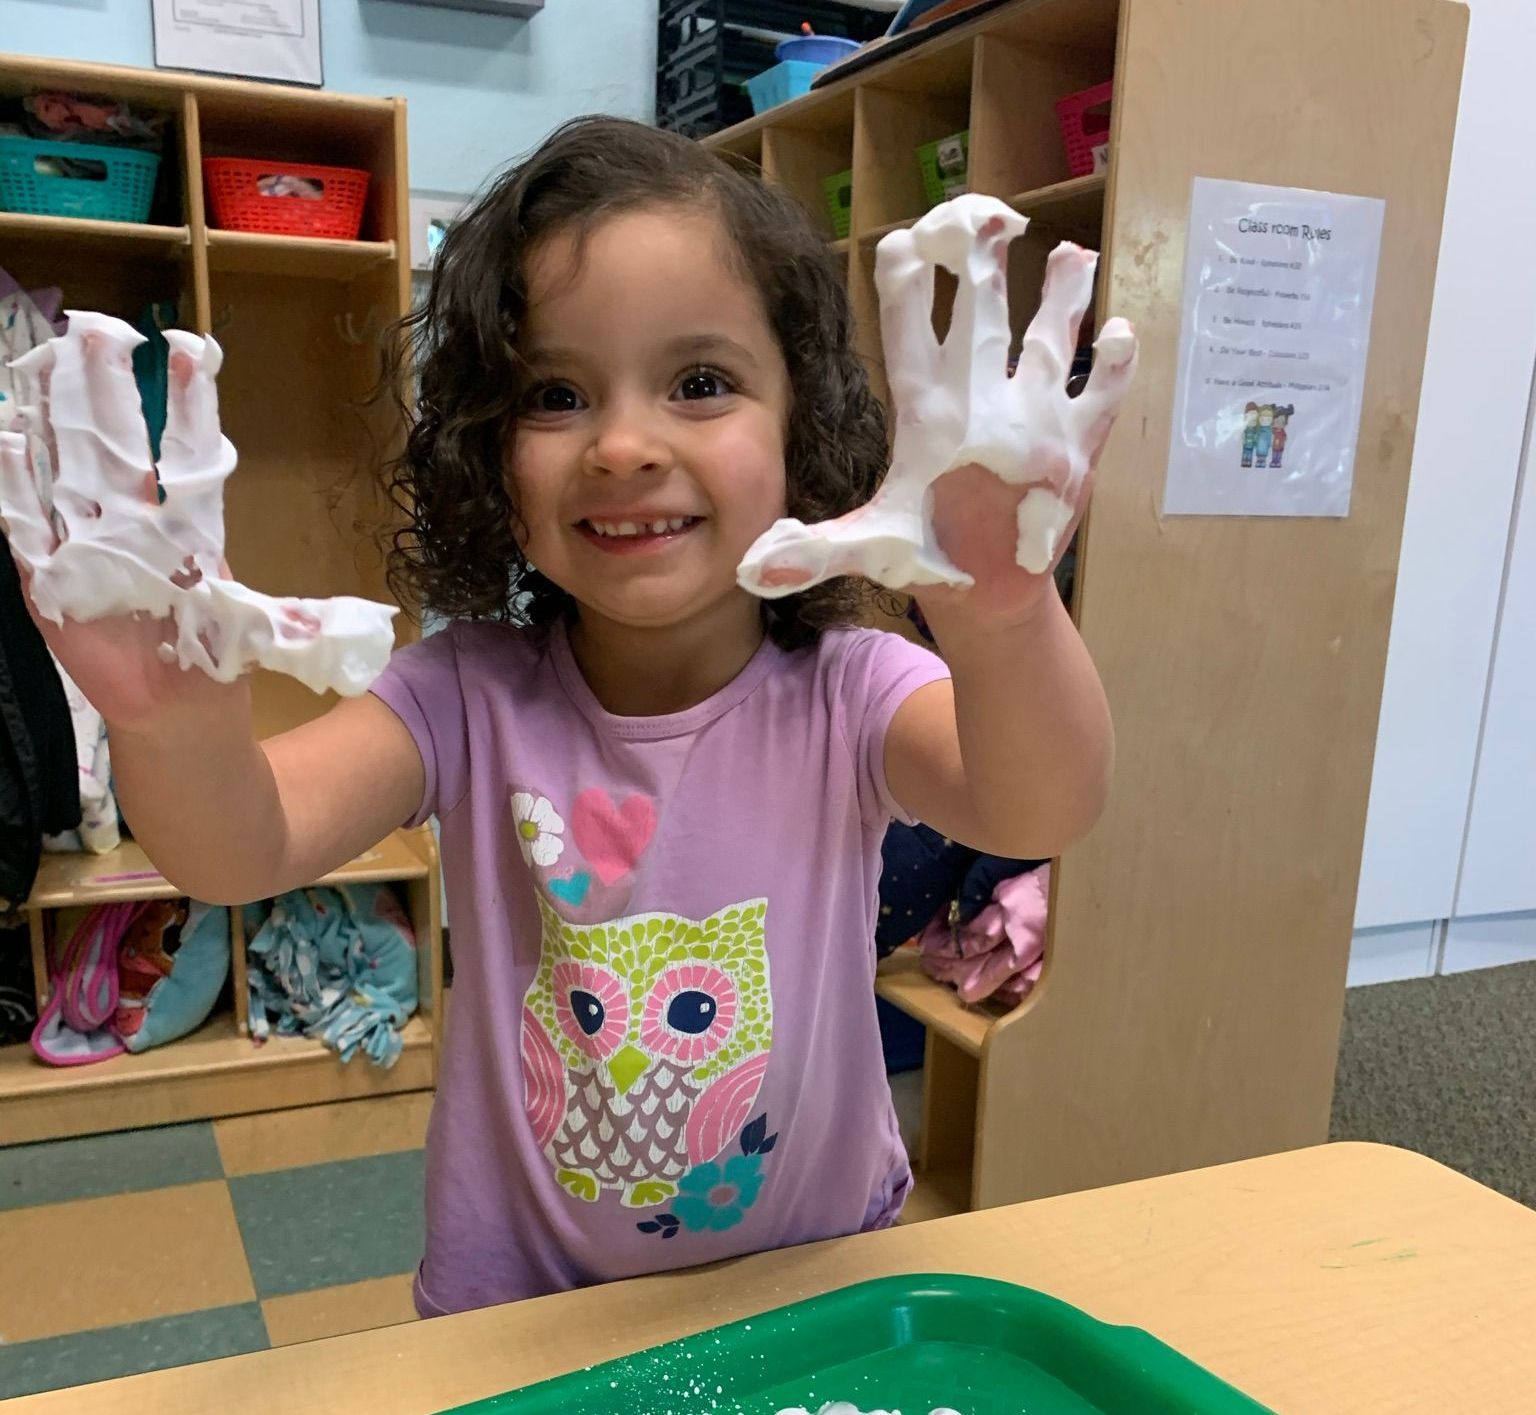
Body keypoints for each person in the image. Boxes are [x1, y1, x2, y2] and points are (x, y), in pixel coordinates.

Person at [28, 117, 1117, 1317]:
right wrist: (170, 723)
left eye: (700, 382)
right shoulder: (464, 693)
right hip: (526, 1311)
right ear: (490, 457)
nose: (622, 445)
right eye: (556, 393)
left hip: (815, 1283)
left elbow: (1041, 799)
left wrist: (1008, 613)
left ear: (799, 419)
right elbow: (243, 846)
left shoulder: (850, 687)